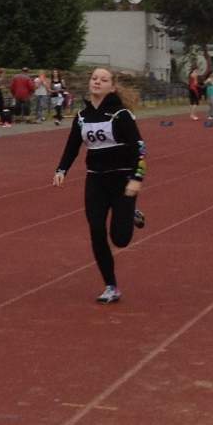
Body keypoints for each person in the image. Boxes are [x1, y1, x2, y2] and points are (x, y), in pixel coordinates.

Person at [53, 66, 146, 305]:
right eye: (94, 78)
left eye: (103, 80)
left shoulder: (121, 115)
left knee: (120, 239)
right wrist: (61, 169)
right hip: (96, 181)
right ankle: (110, 285)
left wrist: (137, 178)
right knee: (96, 230)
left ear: (112, 87)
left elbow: (140, 149)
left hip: (123, 181)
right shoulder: (82, 117)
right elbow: (72, 146)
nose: (97, 82)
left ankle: (129, 212)